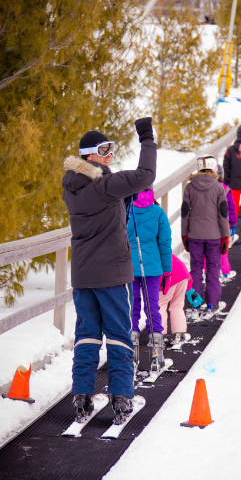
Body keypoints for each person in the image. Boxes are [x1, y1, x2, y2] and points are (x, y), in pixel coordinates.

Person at [63, 118, 157, 425]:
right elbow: (146, 175)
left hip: (83, 274)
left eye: (111, 149)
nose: (110, 155)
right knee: (118, 335)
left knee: (87, 335)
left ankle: (82, 396)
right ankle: (121, 397)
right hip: (113, 274)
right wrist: (146, 138)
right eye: (104, 150)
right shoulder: (104, 185)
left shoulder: (72, 187)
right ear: (88, 155)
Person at [126, 188, 172, 369]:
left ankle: (131, 348)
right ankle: (157, 352)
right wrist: (167, 272)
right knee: (153, 306)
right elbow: (165, 244)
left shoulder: (126, 211)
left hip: (127, 267)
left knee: (132, 306)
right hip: (152, 269)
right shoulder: (158, 212)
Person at [182, 155, 232, 319]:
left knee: (195, 269)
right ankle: (212, 305)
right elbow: (223, 215)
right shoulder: (219, 188)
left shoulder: (189, 188)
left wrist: (184, 234)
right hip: (214, 236)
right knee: (212, 269)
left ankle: (195, 305)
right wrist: (226, 235)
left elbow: (184, 214)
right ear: (213, 168)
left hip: (194, 234)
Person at [159, 255, 193, 348]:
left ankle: (159, 335)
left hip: (166, 277)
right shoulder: (164, 250)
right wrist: (189, 288)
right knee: (177, 306)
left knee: (160, 305)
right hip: (182, 274)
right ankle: (179, 334)